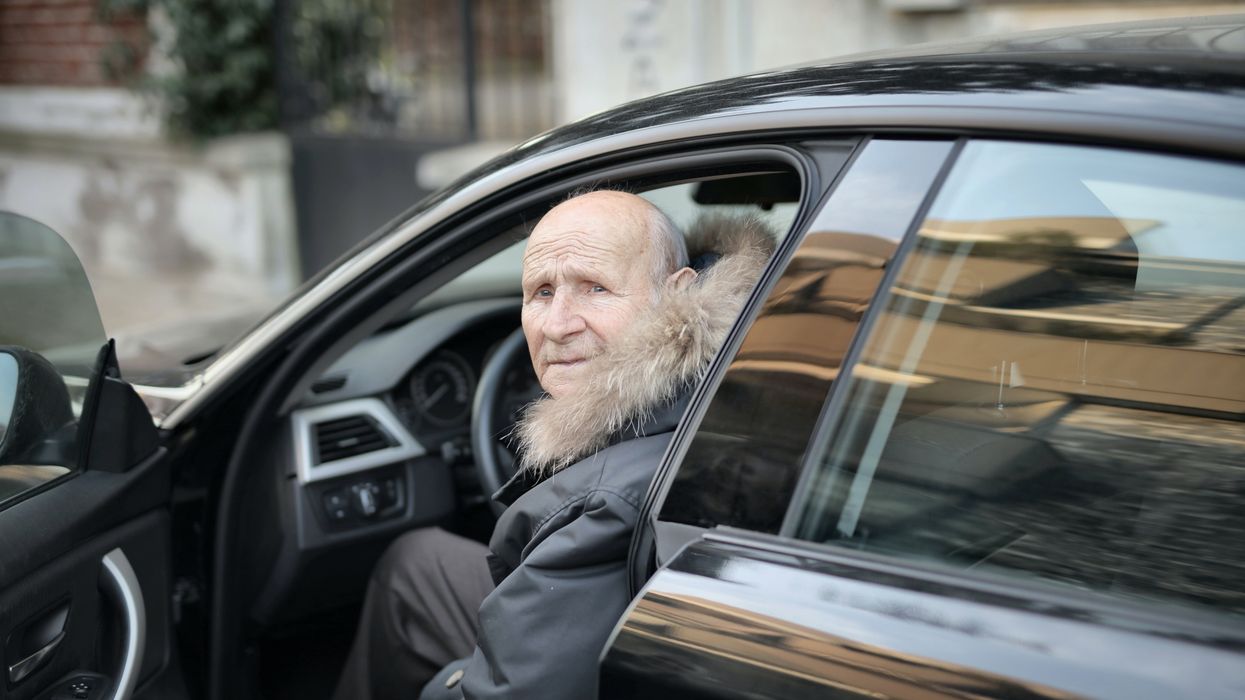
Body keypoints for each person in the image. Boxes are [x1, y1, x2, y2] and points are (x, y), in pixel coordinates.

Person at [332, 190, 774, 700]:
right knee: (416, 563)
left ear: (676, 292)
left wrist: (445, 682)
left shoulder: (606, 505)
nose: (558, 325)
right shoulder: (735, 375)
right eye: (542, 292)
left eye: (595, 288)